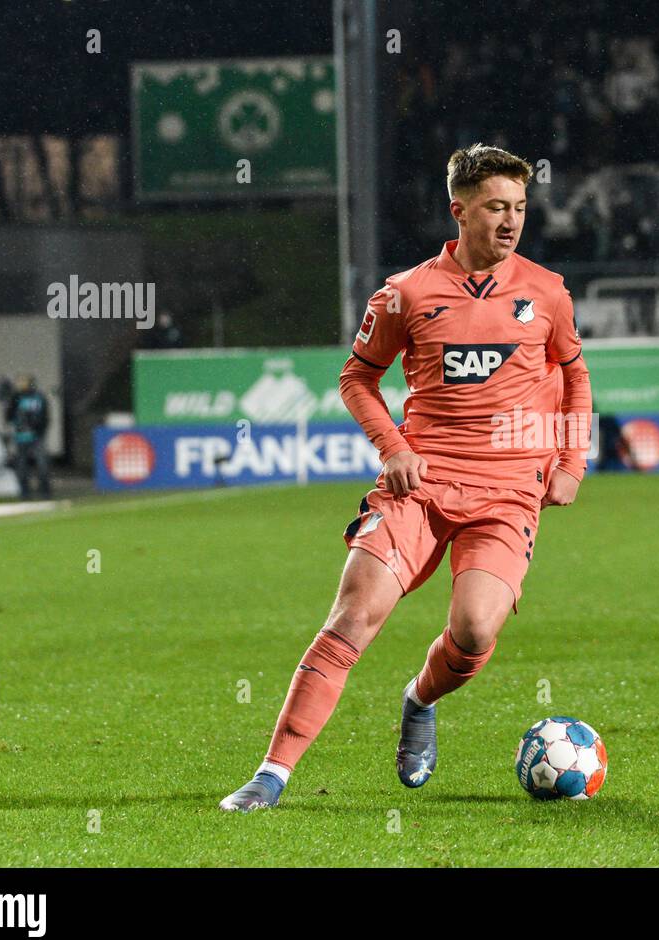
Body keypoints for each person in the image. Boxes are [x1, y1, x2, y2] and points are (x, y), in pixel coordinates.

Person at [220, 144, 592, 811]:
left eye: (520, 208)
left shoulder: (547, 291)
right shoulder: (406, 292)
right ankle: (270, 776)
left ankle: (420, 697)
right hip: (417, 486)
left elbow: (574, 375)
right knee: (353, 616)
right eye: (496, 208)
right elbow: (357, 377)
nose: (511, 221)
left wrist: (571, 461)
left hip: (508, 491)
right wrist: (391, 446)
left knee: (477, 630)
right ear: (460, 211)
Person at [7, 375, 52, 498]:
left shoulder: (39, 397)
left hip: (36, 436)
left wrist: (39, 429)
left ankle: (45, 491)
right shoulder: (16, 398)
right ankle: (25, 492)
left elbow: (45, 416)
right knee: (22, 467)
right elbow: (8, 416)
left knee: (42, 464)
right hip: (21, 437)